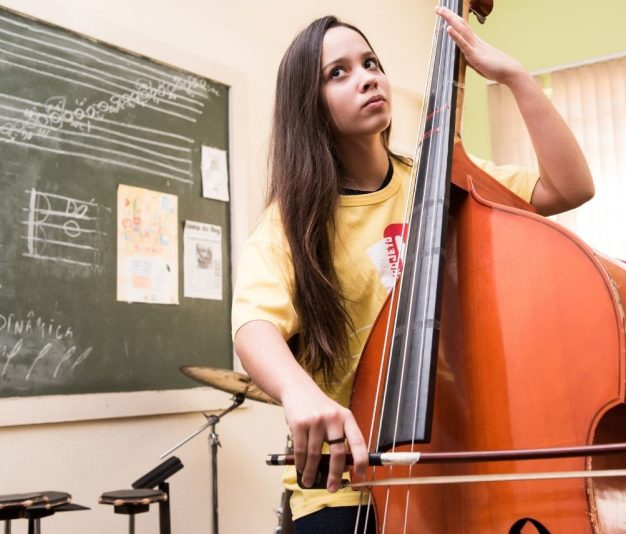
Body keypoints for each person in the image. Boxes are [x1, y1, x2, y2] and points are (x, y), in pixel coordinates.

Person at [232, 6, 595, 533]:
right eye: (339, 72)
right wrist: (299, 392)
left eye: (370, 62)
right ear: (307, 106)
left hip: (454, 462)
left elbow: (567, 188)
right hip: (347, 487)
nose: (367, 78)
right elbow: (254, 327)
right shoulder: (290, 222)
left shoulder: (442, 179)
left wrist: (515, 78)